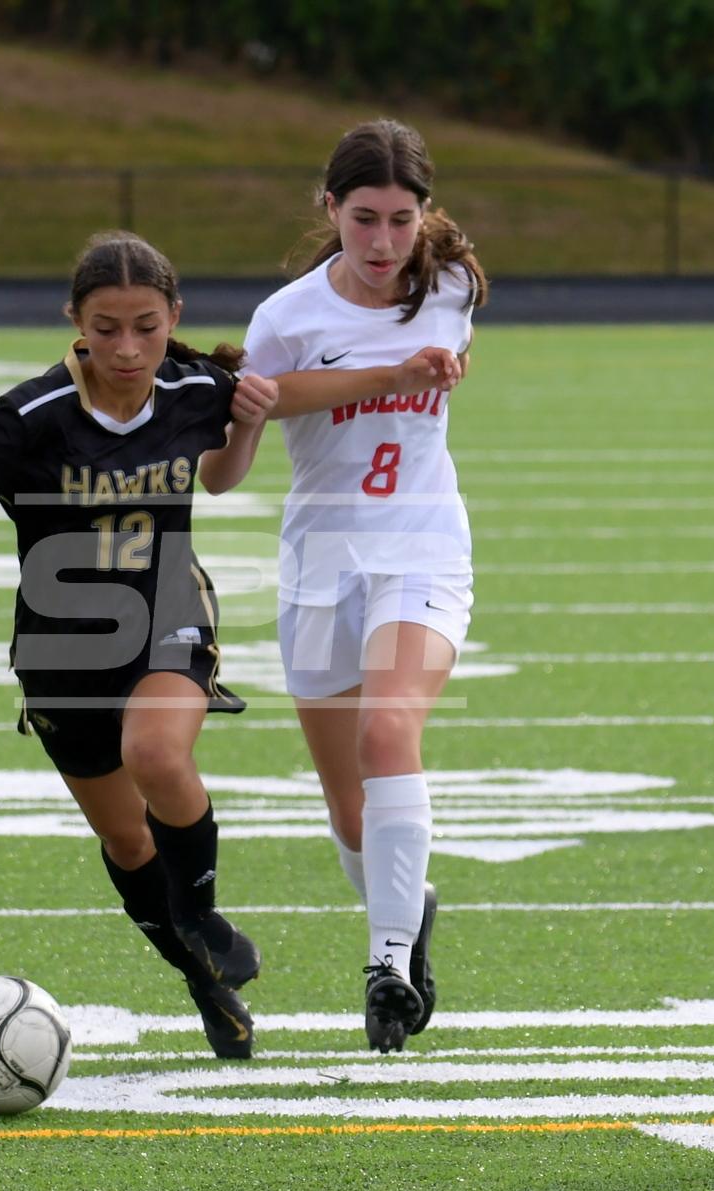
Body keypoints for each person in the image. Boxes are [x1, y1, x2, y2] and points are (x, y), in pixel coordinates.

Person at [0, 231, 278, 1059]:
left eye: (146, 327)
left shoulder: (195, 388)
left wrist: (252, 424)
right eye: (106, 328)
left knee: (156, 754)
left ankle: (202, 915)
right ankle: (201, 978)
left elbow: (219, 475)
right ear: (75, 321)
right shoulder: (35, 413)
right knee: (128, 842)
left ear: (173, 316)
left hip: (168, 610)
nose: (128, 348)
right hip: (60, 647)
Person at [242, 119, 487, 1053]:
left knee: (389, 731)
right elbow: (255, 424)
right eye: (363, 219)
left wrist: (428, 367)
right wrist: (391, 373)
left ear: (424, 214)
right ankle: (408, 906)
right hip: (320, 563)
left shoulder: (451, 285)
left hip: (421, 545)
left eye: (400, 220)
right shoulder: (286, 319)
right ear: (329, 208)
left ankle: (388, 964)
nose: (382, 242)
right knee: (349, 812)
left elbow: (442, 353)